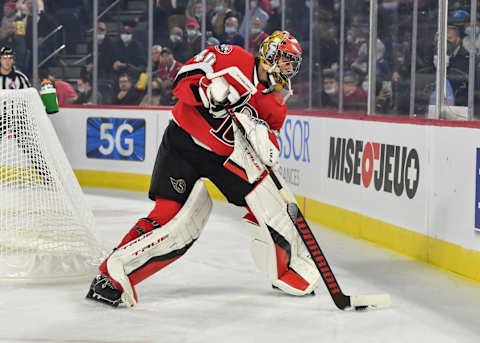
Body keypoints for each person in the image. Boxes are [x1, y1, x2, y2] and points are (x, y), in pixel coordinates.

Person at [86, 31, 320, 307]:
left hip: (226, 159)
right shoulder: (231, 57)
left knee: (271, 203)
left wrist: (265, 141)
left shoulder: (276, 104)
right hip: (183, 143)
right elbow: (181, 81)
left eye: (294, 63)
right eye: (285, 61)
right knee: (171, 217)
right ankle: (109, 277)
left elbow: (268, 138)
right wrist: (206, 91)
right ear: (269, 55)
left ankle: (285, 269)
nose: (289, 69)